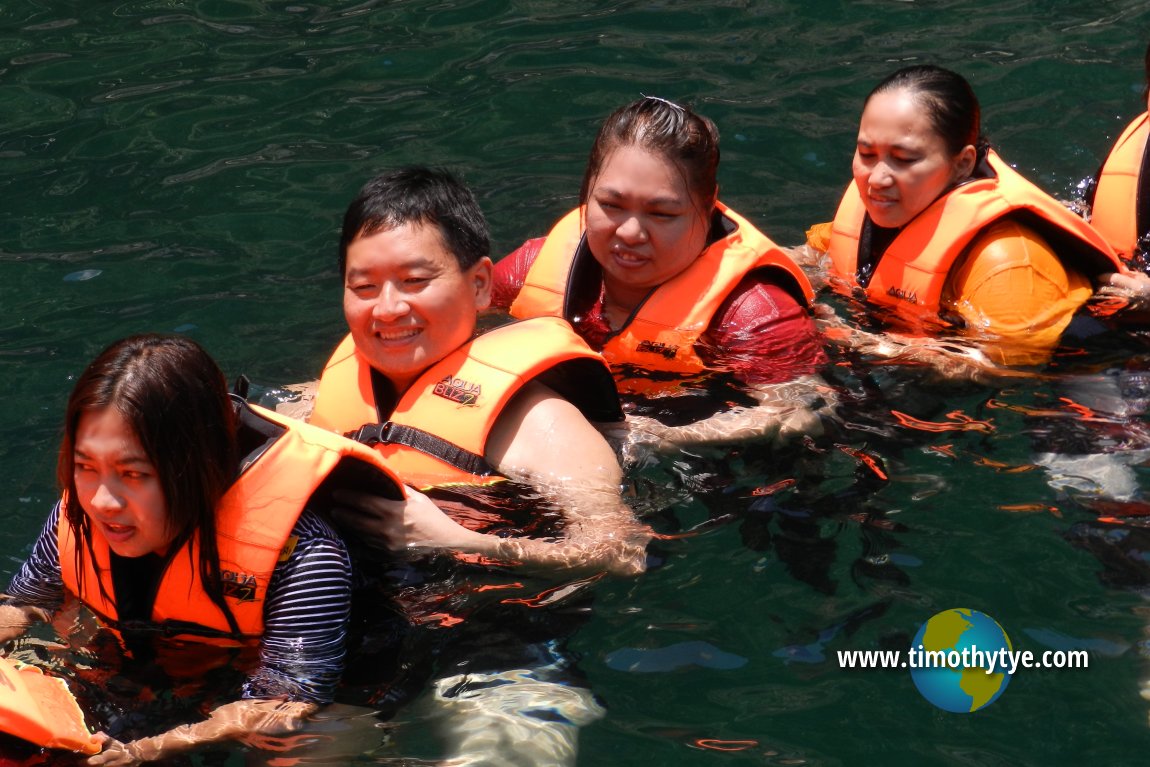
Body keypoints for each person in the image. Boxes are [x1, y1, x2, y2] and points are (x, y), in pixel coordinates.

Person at [306, 166, 650, 766]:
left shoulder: (540, 421)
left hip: (503, 633)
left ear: (482, 284)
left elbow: (621, 551)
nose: (388, 309)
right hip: (361, 622)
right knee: (298, 751)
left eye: (416, 280)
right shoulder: (330, 394)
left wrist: (461, 540)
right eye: (363, 287)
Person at [0, 334, 406, 765]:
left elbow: (288, 699)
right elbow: (26, 603)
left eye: (133, 473)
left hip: (318, 690)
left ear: (198, 466)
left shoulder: (304, 553)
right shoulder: (79, 515)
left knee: (298, 748)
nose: (102, 500)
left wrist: (144, 751)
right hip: (160, 667)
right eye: (85, 466)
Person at [489, 96, 831, 455]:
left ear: (707, 203)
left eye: (662, 214)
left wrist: (665, 437)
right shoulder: (531, 267)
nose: (630, 233)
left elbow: (805, 410)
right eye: (611, 205)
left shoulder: (754, 312)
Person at [808, 64, 1122, 370]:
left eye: (904, 159)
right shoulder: (878, 211)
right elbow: (814, 255)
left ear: (962, 163)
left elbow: (1008, 363)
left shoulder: (1006, 260)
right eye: (866, 154)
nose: (877, 178)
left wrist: (864, 342)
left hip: (1077, 382)